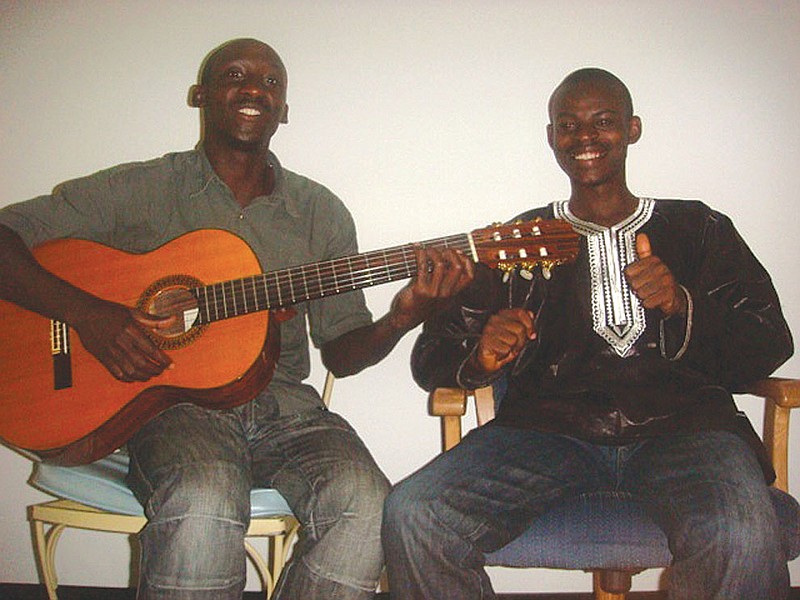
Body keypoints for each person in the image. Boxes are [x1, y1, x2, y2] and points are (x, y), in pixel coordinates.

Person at [0, 38, 474, 599]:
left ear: (285, 111)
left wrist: (403, 317)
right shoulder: (143, 189)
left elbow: (342, 356)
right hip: (174, 405)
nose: (254, 88)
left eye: (271, 83)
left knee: (370, 504)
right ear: (202, 94)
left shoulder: (319, 210)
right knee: (204, 495)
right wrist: (92, 316)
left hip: (288, 410)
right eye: (235, 74)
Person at [382, 67, 795, 599]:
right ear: (551, 137)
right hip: (547, 431)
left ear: (633, 129)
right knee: (414, 513)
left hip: (688, 428)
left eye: (603, 122)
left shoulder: (699, 228)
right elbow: (432, 361)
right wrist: (481, 357)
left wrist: (680, 304)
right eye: (568, 125)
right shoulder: (517, 243)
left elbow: (768, 340)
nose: (585, 138)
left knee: (739, 529)